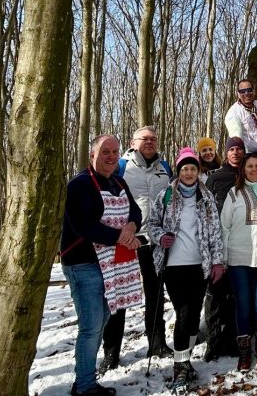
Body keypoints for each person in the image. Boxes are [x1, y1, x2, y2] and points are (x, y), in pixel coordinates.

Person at [60, 135, 142, 396]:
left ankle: (85, 380)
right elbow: (83, 225)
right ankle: (84, 387)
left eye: (115, 151)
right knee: (91, 327)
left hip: (113, 264)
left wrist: (131, 226)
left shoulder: (119, 181)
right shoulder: (80, 184)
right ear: (92, 155)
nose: (110, 156)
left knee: (104, 320)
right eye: (104, 151)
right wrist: (120, 236)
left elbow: (135, 212)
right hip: (84, 264)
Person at [147, 147, 225, 391]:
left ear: (198, 171)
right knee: (185, 314)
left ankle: (185, 359)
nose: (189, 173)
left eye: (193, 168)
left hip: (199, 265)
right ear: (178, 171)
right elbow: (151, 224)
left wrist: (217, 261)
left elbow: (215, 232)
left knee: (192, 320)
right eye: (185, 169)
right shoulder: (166, 196)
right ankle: (179, 367)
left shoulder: (207, 198)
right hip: (173, 265)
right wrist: (160, 237)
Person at [97, 126, 173, 375]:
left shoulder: (165, 168)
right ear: (133, 142)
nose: (150, 142)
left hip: (153, 240)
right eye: (145, 139)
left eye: (153, 138)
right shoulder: (121, 165)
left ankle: (157, 343)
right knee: (119, 295)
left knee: (155, 292)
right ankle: (111, 351)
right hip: (126, 240)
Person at [220, 153, 257, 371]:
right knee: (243, 306)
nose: (254, 169)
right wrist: (223, 258)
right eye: (249, 166)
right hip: (238, 258)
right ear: (243, 169)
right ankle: (244, 352)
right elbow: (224, 227)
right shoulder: (234, 194)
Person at [202, 137, 246, 362]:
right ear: (226, 153)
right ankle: (213, 342)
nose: (236, 153)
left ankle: (230, 340)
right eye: (232, 150)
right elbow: (204, 208)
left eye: (239, 149)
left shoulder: (251, 173)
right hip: (217, 244)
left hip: (242, 244)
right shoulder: (216, 177)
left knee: (234, 297)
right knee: (215, 297)